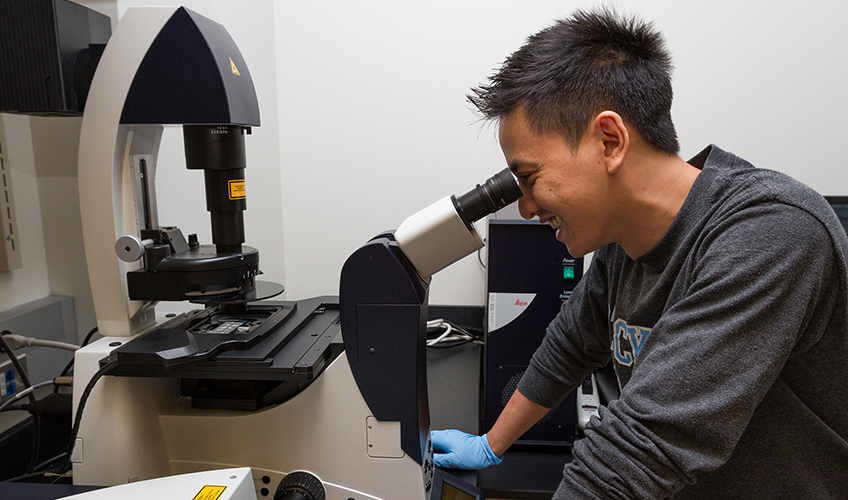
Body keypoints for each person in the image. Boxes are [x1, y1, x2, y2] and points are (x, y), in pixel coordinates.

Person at [431, 6, 848, 499]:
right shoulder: (625, 243)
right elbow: (567, 348)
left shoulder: (771, 234)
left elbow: (641, 447)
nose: (524, 208)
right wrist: (491, 443)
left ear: (610, 140)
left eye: (530, 178)